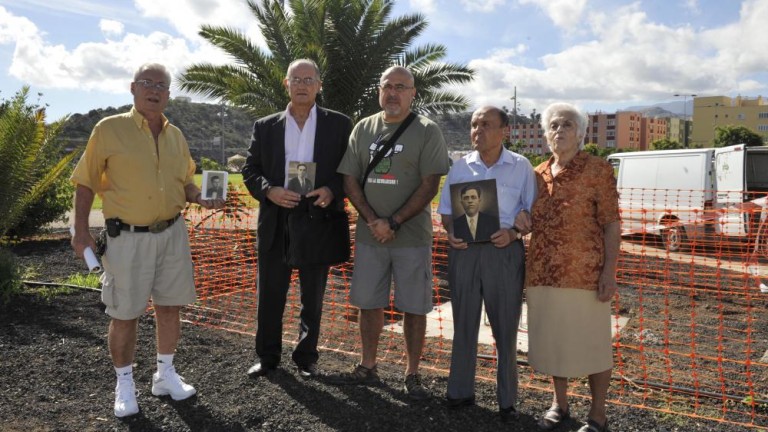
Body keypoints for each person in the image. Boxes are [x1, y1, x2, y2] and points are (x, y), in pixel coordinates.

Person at [69, 63, 224, 418]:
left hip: (172, 233)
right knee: (125, 314)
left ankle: (164, 375)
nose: (154, 90)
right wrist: (80, 231)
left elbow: (184, 183)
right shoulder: (108, 129)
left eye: (162, 85)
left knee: (170, 306)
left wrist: (200, 196)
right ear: (133, 88)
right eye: (147, 83)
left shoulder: (176, 136)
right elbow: (86, 182)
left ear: (168, 94)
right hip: (127, 238)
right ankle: (124, 383)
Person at [329, 66, 450, 400]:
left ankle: (412, 375)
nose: (393, 93)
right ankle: (368, 365)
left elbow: (430, 185)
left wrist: (394, 221)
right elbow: (349, 178)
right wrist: (373, 220)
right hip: (371, 236)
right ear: (379, 91)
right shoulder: (363, 128)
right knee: (369, 304)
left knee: (414, 307)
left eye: (401, 87)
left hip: (411, 238)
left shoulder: (427, 130)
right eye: (387, 86)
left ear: (413, 93)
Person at [242, 59, 352, 379]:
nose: (302, 84)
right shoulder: (265, 126)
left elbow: (351, 170)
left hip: (318, 219)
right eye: (296, 79)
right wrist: (269, 191)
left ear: (319, 85)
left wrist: (332, 190)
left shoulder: (340, 124)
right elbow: (250, 170)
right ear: (285, 83)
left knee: (312, 296)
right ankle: (268, 357)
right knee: (270, 294)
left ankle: (306, 358)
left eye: (309, 79)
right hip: (277, 218)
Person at [516, 102, 620, 432]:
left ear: (581, 134)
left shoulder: (597, 170)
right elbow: (529, 221)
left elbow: (612, 224)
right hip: (543, 273)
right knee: (555, 342)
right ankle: (559, 404)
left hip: (585, 276)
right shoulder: (536, 173)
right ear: (546, 135)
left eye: (567, 125)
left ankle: (598, 415)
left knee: (594, 346)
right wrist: (522, 222)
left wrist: (608, 273)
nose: (559, 130)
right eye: (554, 126)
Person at [437, 106, 536, 422]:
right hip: (464, 252)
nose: (477, 130)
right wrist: (451, 232)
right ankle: (460, 392)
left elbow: (531, 215)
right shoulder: (460, 167)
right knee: (464, 322)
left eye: (486, 124)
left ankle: (507, 400)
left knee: (505, 326)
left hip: (503, 253)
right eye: (474, 124)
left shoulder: (521, 167)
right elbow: (446, 214)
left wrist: (515, 232)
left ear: (504, 131)